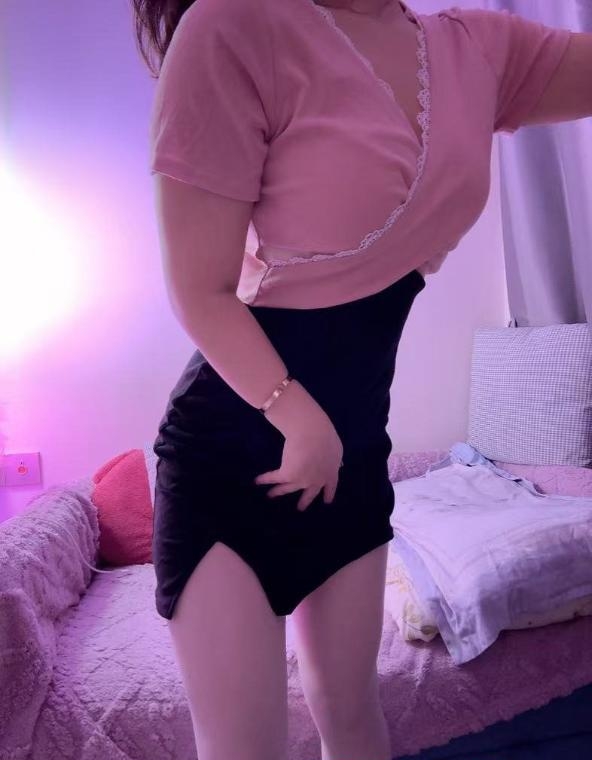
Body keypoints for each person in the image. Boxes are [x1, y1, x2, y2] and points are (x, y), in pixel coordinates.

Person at [132, 0, 589, 757]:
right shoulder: (232, 24)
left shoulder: (474, 48)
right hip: (236, 452)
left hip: (354, 450)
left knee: (352, 716)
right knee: (245, 747)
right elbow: (198, 288)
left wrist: (331, 436)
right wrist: (298, 416)